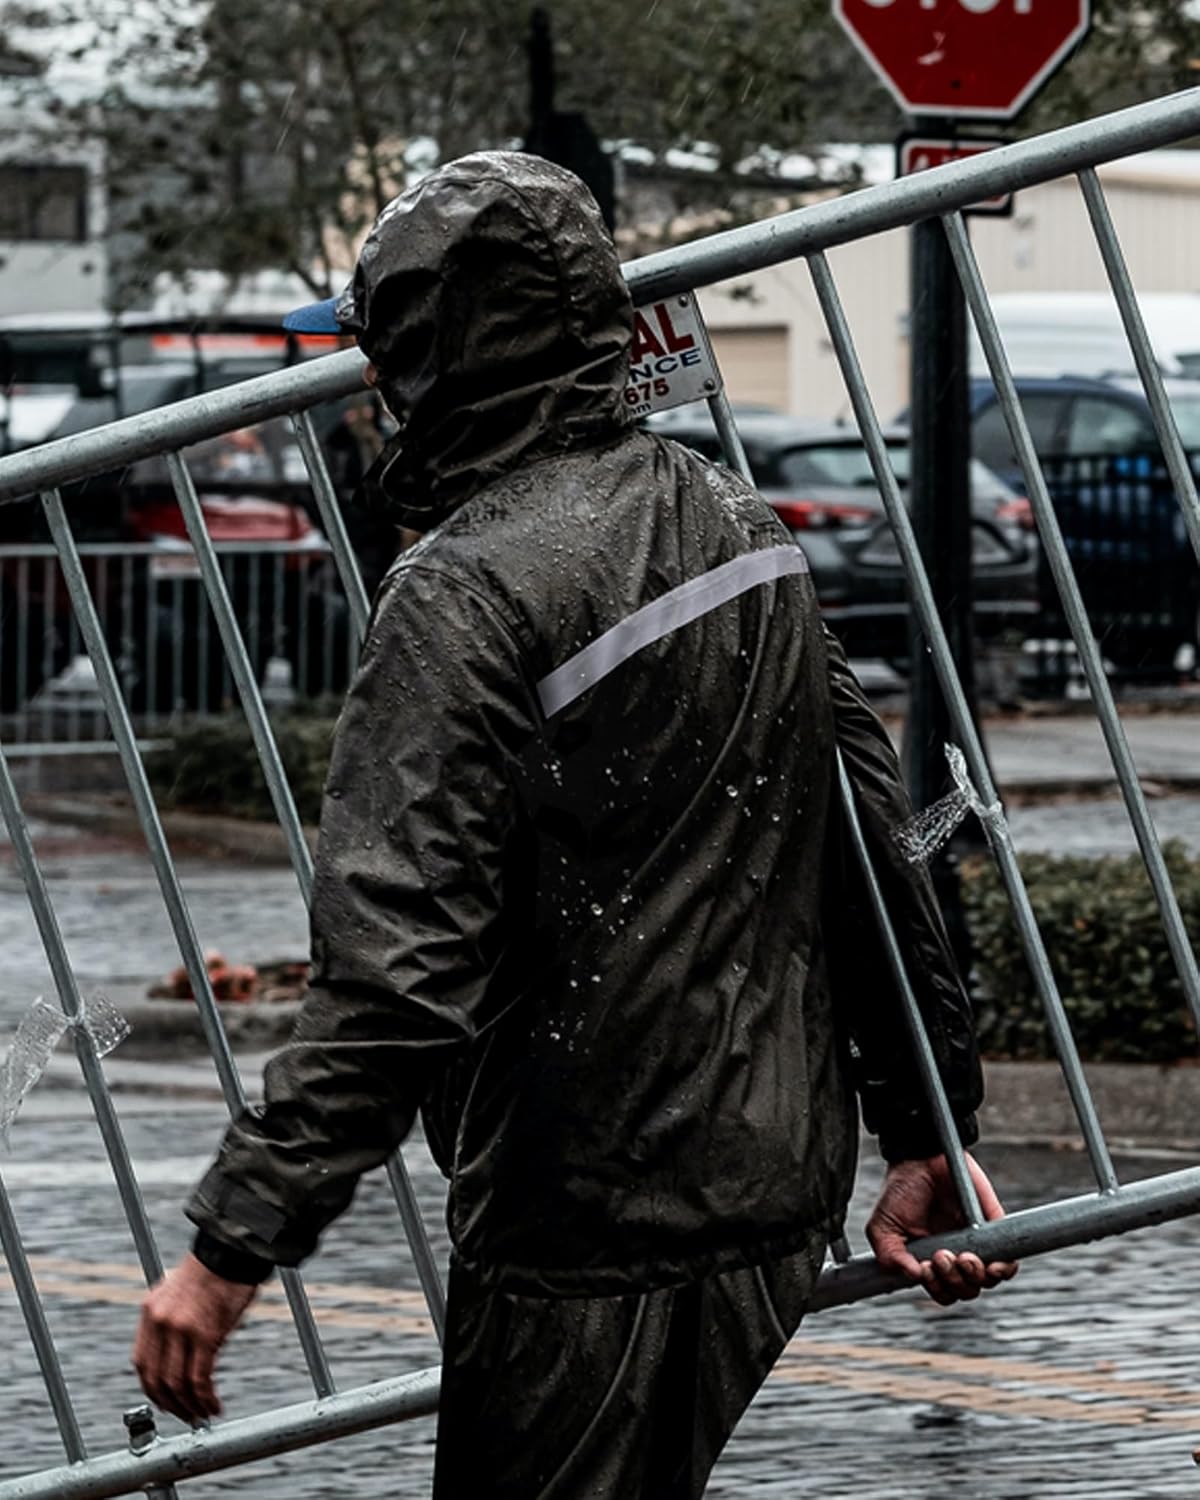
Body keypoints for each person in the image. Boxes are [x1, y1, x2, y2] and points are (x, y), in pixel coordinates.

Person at [133, 152, 1016, 1498]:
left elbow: (396, 977)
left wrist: (227, 1248)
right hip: (770, 1187)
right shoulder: (732, 516)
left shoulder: (460, 596)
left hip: (588, 1215)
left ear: (436, 359)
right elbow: (869, 837)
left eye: (383, 350)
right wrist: (923, 1123)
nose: (369, 383)